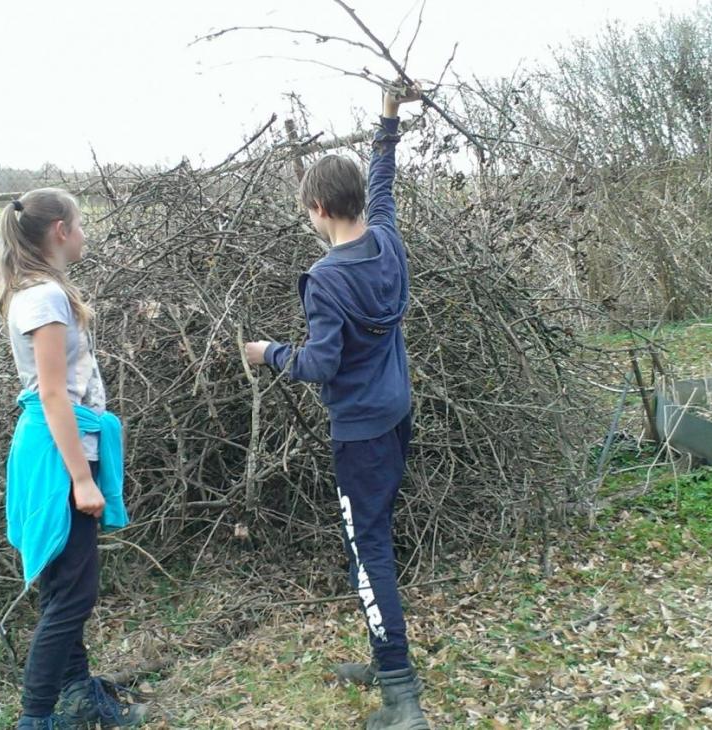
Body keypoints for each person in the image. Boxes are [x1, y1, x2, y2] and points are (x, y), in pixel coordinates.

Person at [244, 84, 430, 730]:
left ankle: (402, 697)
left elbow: (320, 363)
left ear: (320, 209)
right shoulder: (387, 240)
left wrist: (267, 352)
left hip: (360, 432)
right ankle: (387, 662)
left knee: (368, 549)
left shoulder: (328, 278)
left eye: (309, 213)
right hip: (397, 411)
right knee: (375, 539)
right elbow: (385, 182)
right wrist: (387, 121)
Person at [0, 189, 147, 729]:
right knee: (72, 597)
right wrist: (82, 480)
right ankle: (36, 719)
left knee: (67, 588)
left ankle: (79, 696)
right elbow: (53, 395)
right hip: (59, 458)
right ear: (60, 230)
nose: (85, 234)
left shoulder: (41, 292)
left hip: (58, 449)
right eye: (80, 225)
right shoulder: (44, 298)